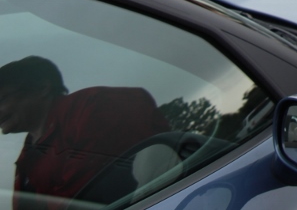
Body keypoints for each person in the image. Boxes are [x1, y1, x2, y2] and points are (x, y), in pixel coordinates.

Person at [0, 56, 170, 210]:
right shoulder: (28, 154)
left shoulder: (97, 106)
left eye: (2, 99)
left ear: (43, 88)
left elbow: (81, 194)